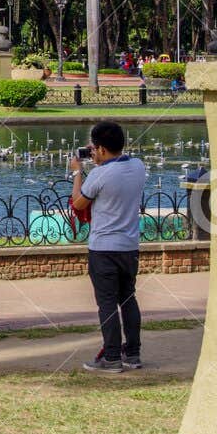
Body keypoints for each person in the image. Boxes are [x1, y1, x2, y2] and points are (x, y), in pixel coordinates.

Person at [70, 121, 149, 373]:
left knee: (106, 303)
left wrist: (77, 172)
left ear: (100, 149)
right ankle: (132, 353)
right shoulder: (138, 167)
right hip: (129, 246)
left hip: (103, 248)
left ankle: (112, 356)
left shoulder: (99, 175)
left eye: (94, 148)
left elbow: (78, 204)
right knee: (128, 299)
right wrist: (101, 162)